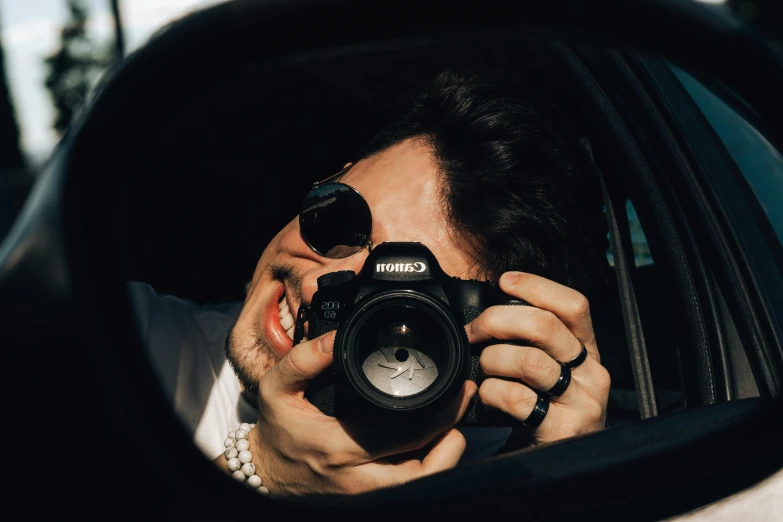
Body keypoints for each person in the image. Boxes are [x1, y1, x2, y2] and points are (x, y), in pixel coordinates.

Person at [129, 70, 612, 497]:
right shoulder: (128, 346)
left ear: (495, 336)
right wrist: (261, 473)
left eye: (401, 304)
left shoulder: (493, 454)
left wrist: (547, 481)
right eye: (338, 221)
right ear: (324, 181)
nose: (320, 286)